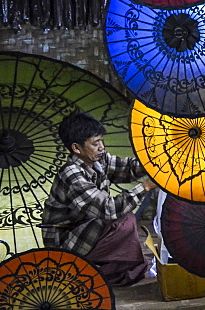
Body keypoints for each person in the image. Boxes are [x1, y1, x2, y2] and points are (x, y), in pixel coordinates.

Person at [43, 111, 156, 286]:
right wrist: (146, 186)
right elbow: (108, 209)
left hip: (86, 228)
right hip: (67, 241)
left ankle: (110, 271)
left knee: (125, 219)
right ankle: (84, 272)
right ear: (76, 148)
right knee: (123, 220)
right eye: (95, 143)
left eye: (101, 141)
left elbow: (127, 168)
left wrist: (154, 164)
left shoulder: (98, 161)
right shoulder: (72, 173)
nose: (101, 147)